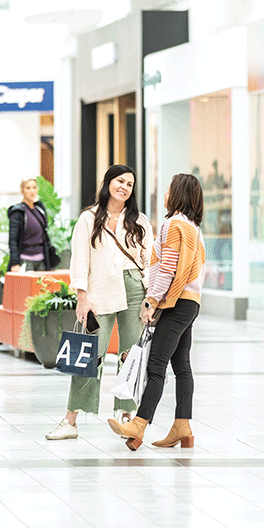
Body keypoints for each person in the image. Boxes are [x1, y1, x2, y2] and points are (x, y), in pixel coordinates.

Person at [45, 165, 152, 441]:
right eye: (120, 181)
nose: (124, 187)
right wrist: (82, 296)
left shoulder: (140, 221)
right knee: (89, 354)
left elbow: (148, 262)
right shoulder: (88, 219)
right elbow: (79, 259)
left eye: (130, 184)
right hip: (99, 291)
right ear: (107, 183)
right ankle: (70, 421)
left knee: (131, 356)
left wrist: (150, 299)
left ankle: (127, 416)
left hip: (134, 291)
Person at [106, 173, 206, 451]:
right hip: (191, 301)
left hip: (174, 303)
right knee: (182, 366)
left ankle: (138, 425)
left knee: (156, 365)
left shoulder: (172, 225)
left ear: (177, 194)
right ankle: (182, 426)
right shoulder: (193, 227)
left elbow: (167, 269)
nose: (165, 193)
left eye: (168, 188)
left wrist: (151, 301)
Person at [8, 177, 58, 272]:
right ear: (22, 191)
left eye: (34, 187)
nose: (32, 191)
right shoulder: (18, 212)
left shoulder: (39, 209)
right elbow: (13, 240)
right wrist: (15, 263)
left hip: (42, 260)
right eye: (28, 188)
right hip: (25, 260)